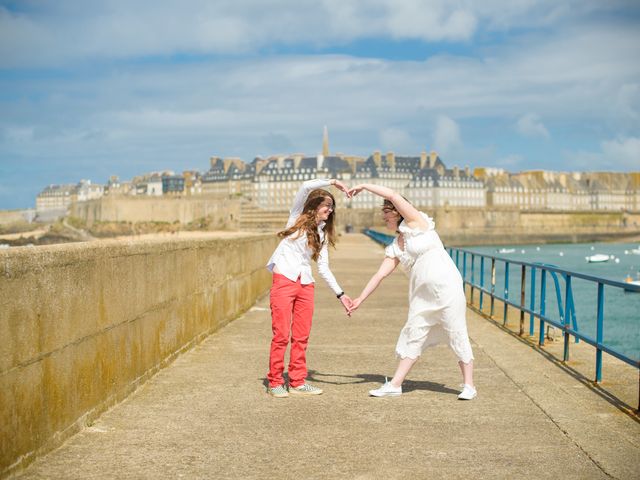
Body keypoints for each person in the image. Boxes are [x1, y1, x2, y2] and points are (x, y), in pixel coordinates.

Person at [347, 183, 476, 400]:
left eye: (386, 213)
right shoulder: (396, 245)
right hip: (421, 295)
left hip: (447, 287)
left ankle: (469, 385)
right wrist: (360, 298)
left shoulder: (418, 223)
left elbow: (393, 194)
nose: (383, 218)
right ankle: (395, 384)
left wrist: (364, 186)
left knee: (456, 331)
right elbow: (380, 275)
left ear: (398, 212)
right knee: (414, 332)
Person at [266, 178, 353, 398]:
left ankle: (297, 381)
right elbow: (305, 186)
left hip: (305, 284)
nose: (330, 210)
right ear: (314, 206)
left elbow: (323, 267)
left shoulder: (322, 234)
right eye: (327, 206)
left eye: (332, 207)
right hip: (284, 279)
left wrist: (341, 295)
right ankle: (275, 381)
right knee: (281, 335)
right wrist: (333, 182)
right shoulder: (295, 217)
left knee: (302, 336)